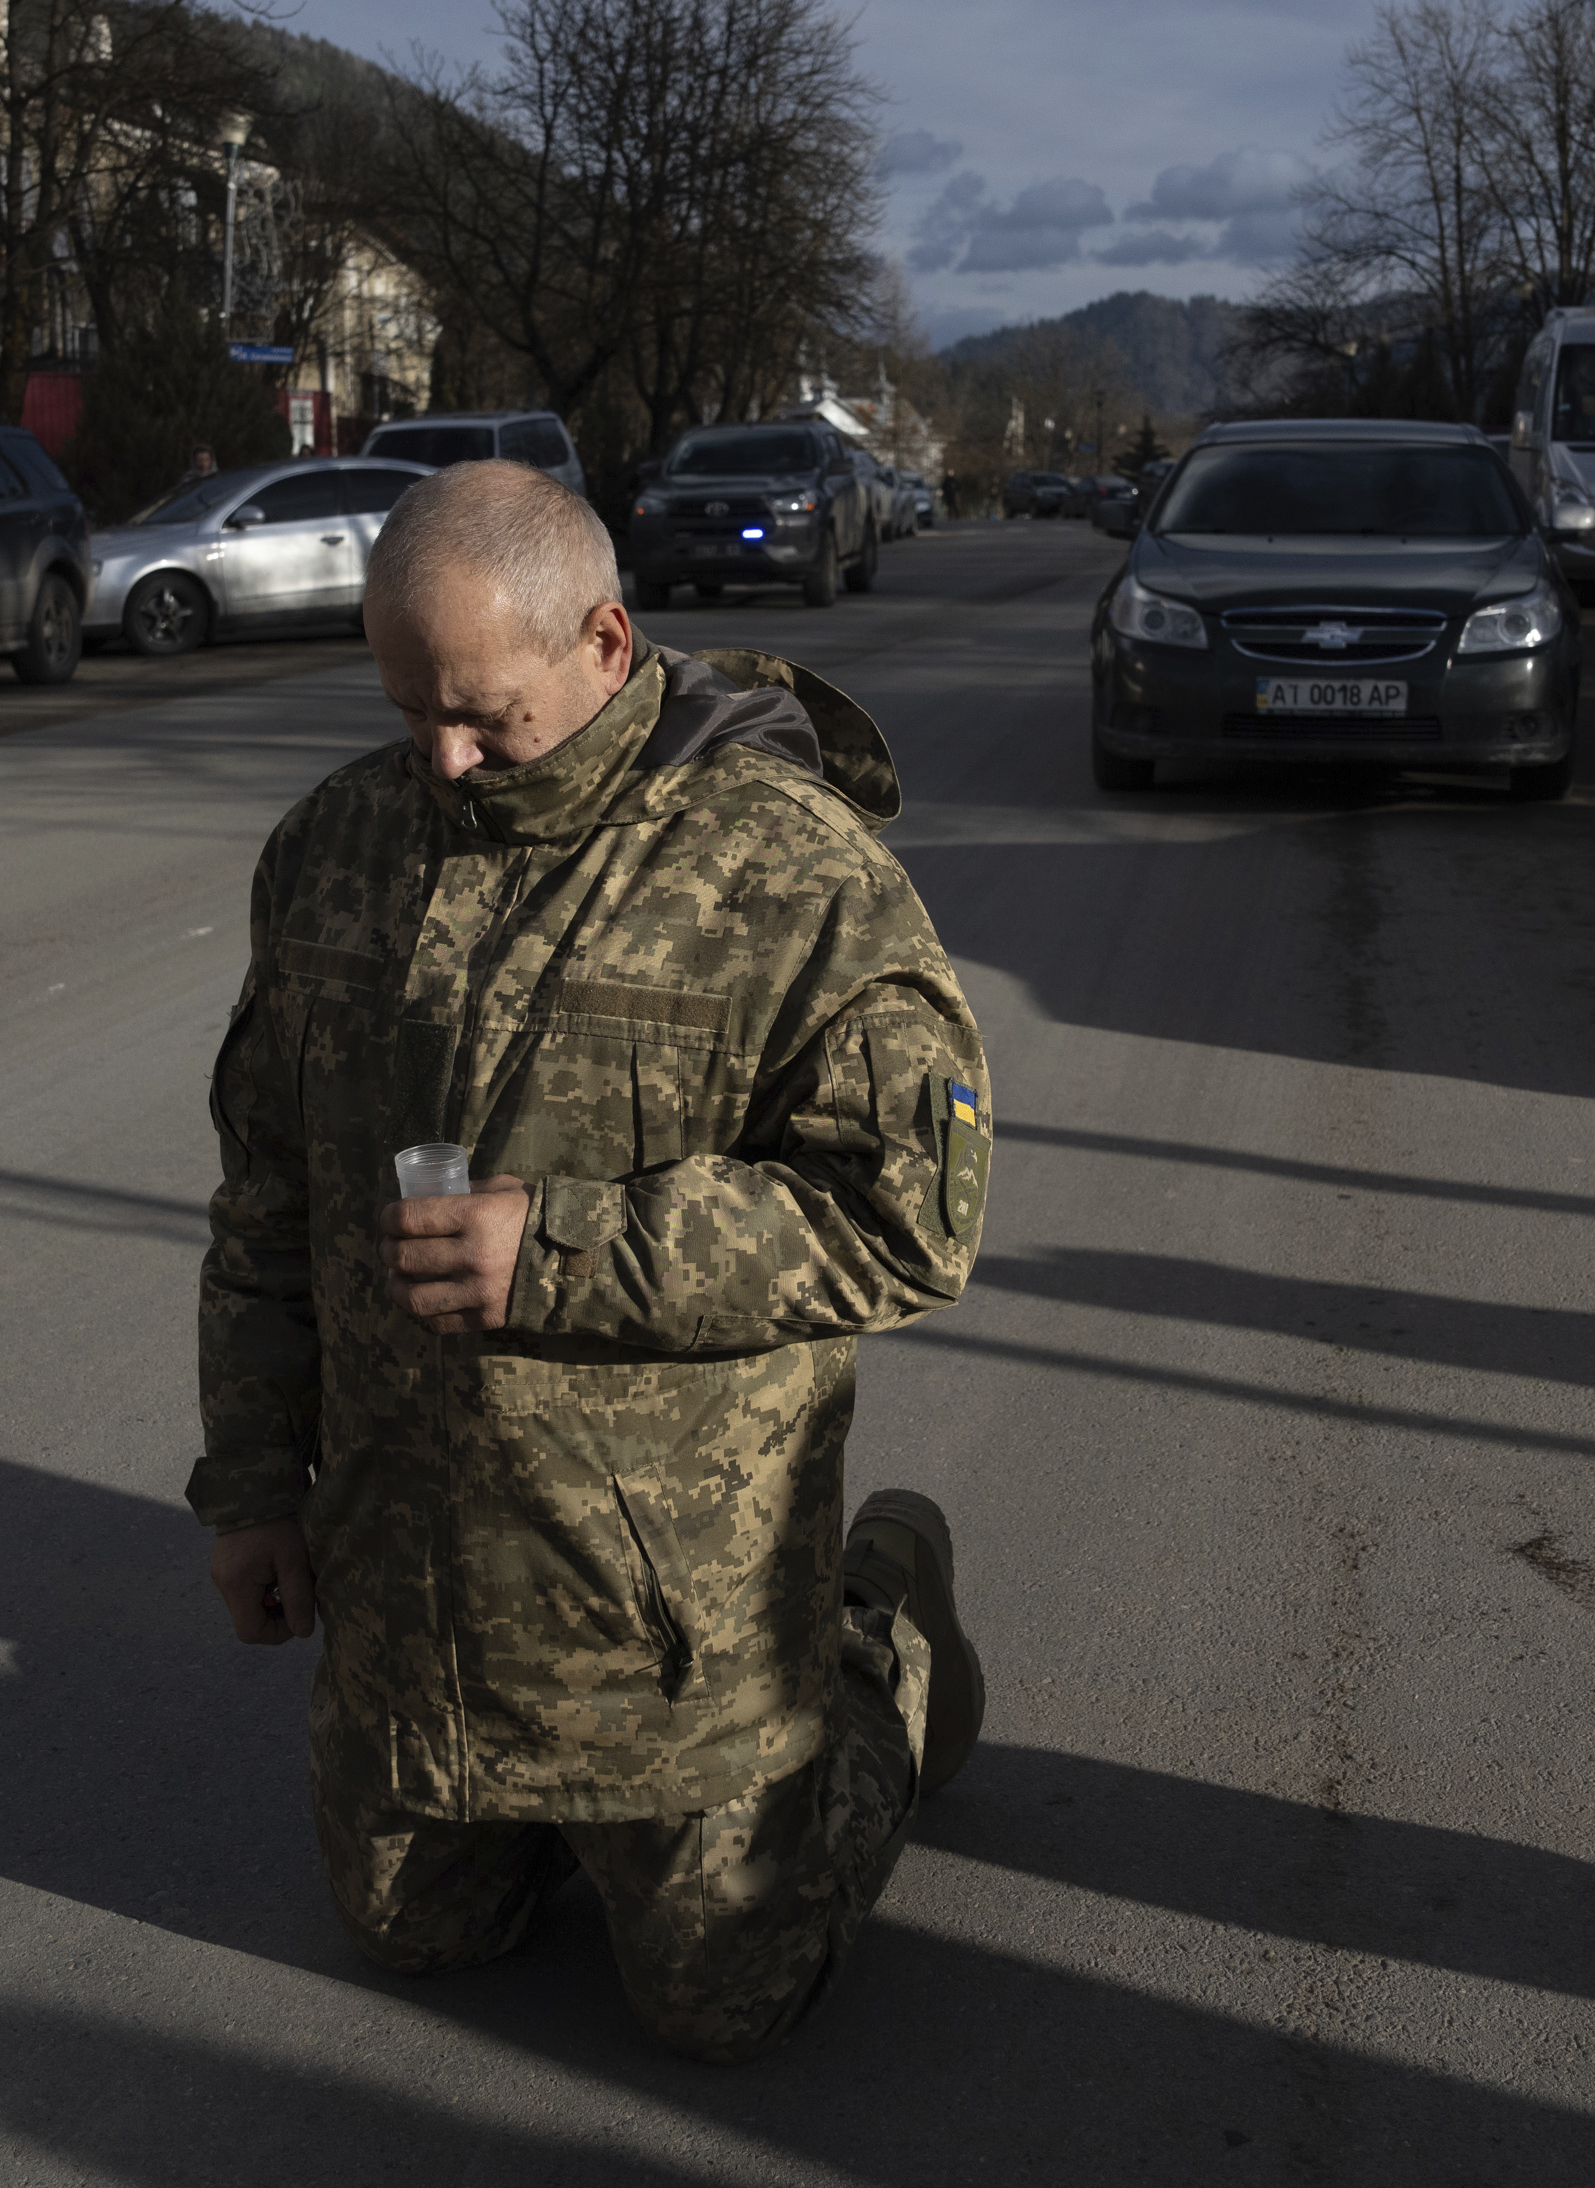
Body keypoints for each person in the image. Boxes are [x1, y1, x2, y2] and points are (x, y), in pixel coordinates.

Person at [191, 457, 994, 2063]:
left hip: (674, 1621)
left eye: (485, 710)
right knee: (417, 1934)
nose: (443, 752)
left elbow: (913, 1217)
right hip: (416, 1605)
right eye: (409, 702)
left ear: (607, 643)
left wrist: (557, 1246)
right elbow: (266, 1202)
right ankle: (523, 1818)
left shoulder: (787, 871)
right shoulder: (336, 849)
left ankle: (870, 1633)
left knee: (721, 1997)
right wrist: (254, 1485)